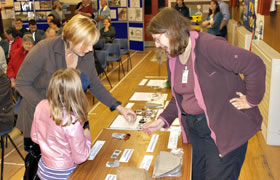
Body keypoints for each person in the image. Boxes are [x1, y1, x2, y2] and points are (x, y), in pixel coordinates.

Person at [142, 8, 265, 180]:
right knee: (196, 175)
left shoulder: (209, 46)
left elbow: (254, 64)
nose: (156, 45)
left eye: (157, 38)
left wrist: (252, 100)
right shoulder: (174, 56)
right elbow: (180, 96)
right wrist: (163, 120)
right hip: (197, 130)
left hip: (224, 130)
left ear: (172, 30)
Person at [15, 14, 136, 155]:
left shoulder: (85, 53)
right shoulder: (44, 49)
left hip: (72, 117)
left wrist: (119, 108)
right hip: (41, 119)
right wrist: (48, 107)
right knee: (42, 170)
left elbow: (95, 84)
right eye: (87, 44)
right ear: (72, 39)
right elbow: (22, 83)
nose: (91, 49)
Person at [31, 68, 91, 179]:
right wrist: (87, 136)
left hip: (44, 170)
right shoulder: (73, 121)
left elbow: (35, 137)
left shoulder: (41, 105)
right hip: (64, 174)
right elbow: (80, 157)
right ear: (77, 93)